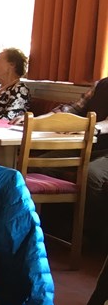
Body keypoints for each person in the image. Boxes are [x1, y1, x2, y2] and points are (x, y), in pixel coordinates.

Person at [29, 76, 108, 244]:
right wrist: (40, 120)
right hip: (87, 146)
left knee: (91, 174)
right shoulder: (102, 84)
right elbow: (73, 108)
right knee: (41, 165)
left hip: (105, 151)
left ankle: (88, 234)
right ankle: (50, 228)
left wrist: (92, 128)